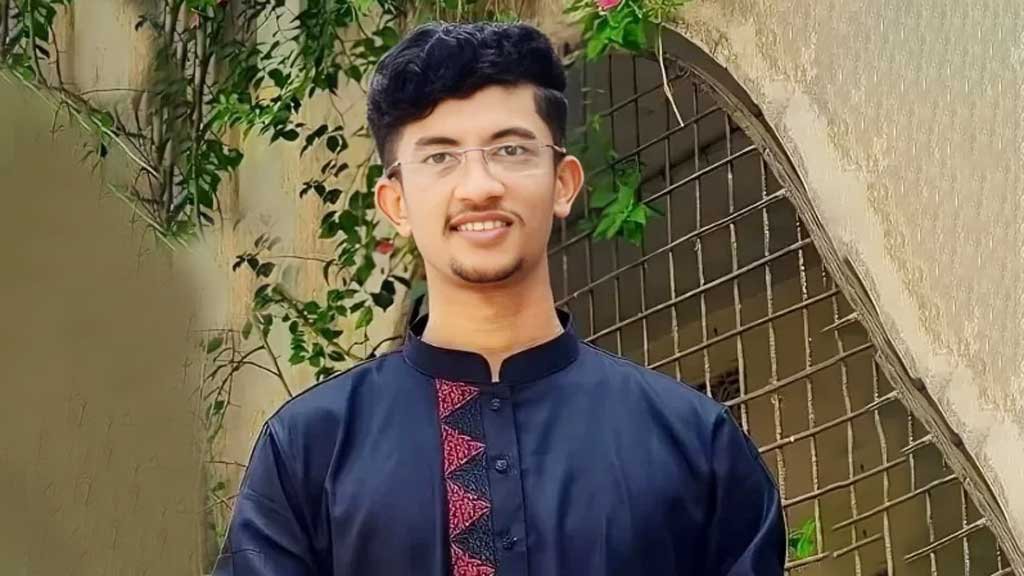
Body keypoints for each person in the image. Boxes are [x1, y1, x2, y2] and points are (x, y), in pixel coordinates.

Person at [213, 21, 785, 576]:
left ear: (563, 183)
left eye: (510, 150)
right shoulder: (310, 450)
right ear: (396, 204)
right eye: (439, 157)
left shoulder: (694, 443)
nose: (480, 186)